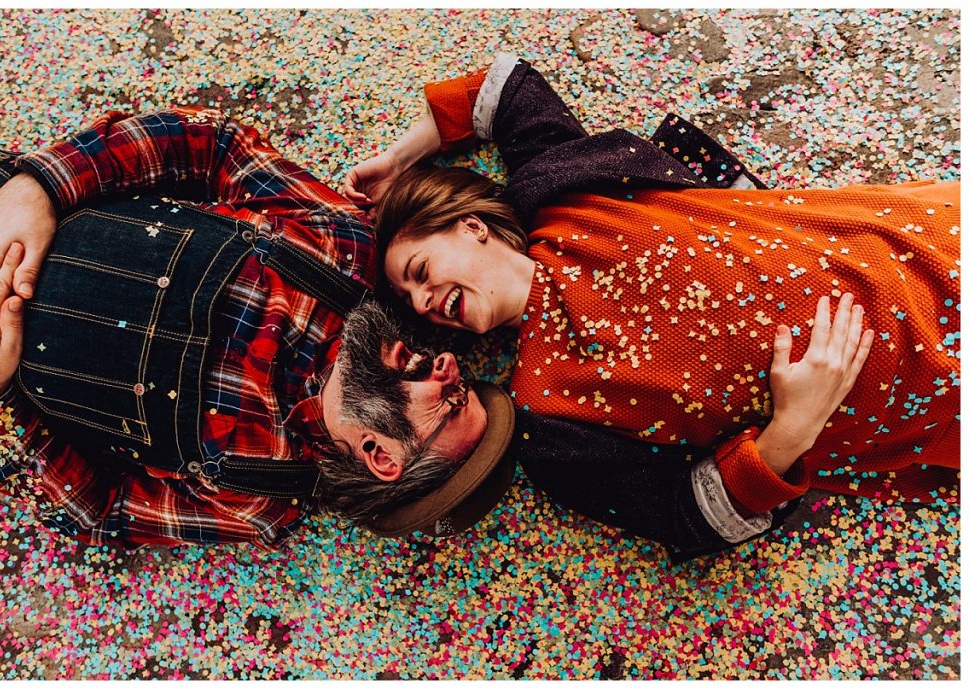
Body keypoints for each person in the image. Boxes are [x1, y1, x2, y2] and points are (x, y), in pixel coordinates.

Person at [0, 108, 869, 561]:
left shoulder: (253, 494)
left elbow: (103, 505)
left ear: (385, 457)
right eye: (457, 374)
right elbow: (212, 146)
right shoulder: (347, 256)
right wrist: (39, 188)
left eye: (449, 396)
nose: (443, 360)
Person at [345, 54, 961, 515]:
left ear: (471, 227)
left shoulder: (563, 194)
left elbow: (501, 89)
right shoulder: (546, 417)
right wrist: (792, 430)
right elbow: (685, 512)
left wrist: (399, 163)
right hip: (927, 400)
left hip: (920, 244)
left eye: (420, 273)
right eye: (415, 304)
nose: (425, 301)